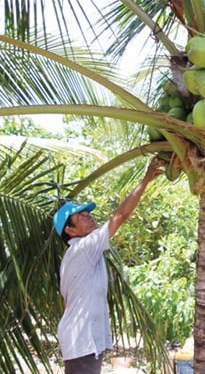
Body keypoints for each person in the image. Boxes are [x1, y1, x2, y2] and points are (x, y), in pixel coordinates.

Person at [52, 157, 164, 374]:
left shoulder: (74, 254)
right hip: (82, 340)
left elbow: (66, 302)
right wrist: (146, 180)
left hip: (82, 339)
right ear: (70, 231)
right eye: (82, 217)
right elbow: (121, 216)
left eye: (88, 214)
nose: (90, 218)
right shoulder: (84, 247)